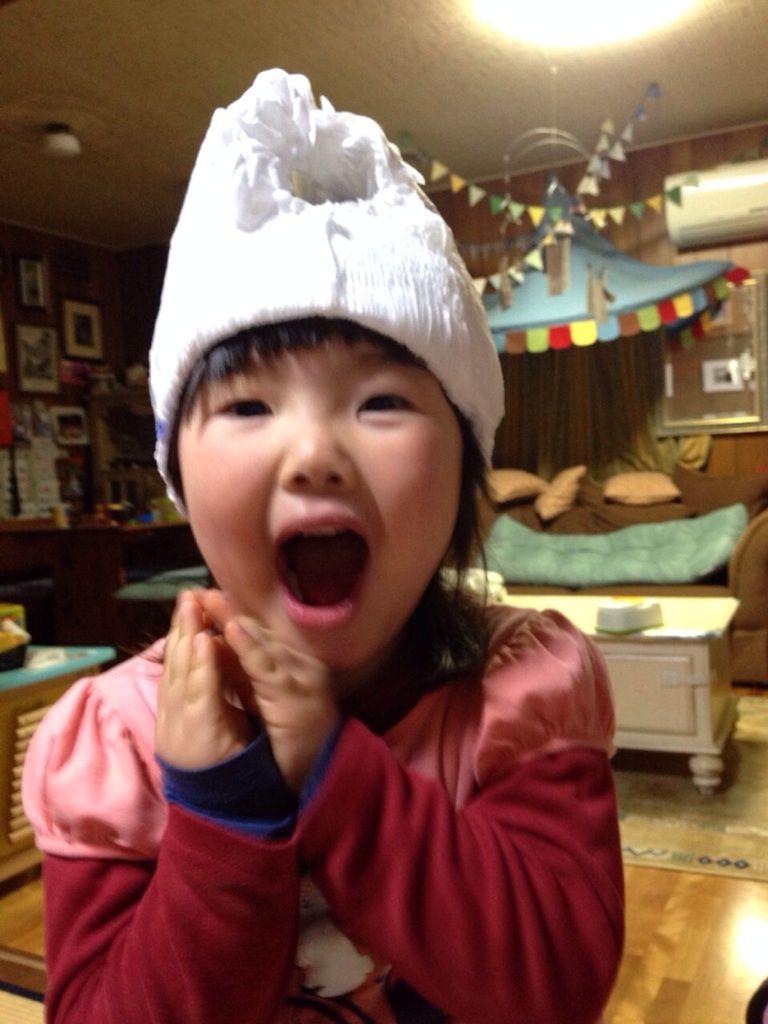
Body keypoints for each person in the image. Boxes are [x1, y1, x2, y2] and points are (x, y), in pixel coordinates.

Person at [22, 68, 624, 1024]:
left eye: (380, 402)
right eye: (248, 407)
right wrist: (217, 801)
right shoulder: (123, 743)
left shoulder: (517, 696)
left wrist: (338, 773)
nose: (313, 455)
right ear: (178, 474)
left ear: (465, 466)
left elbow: (556, 985)